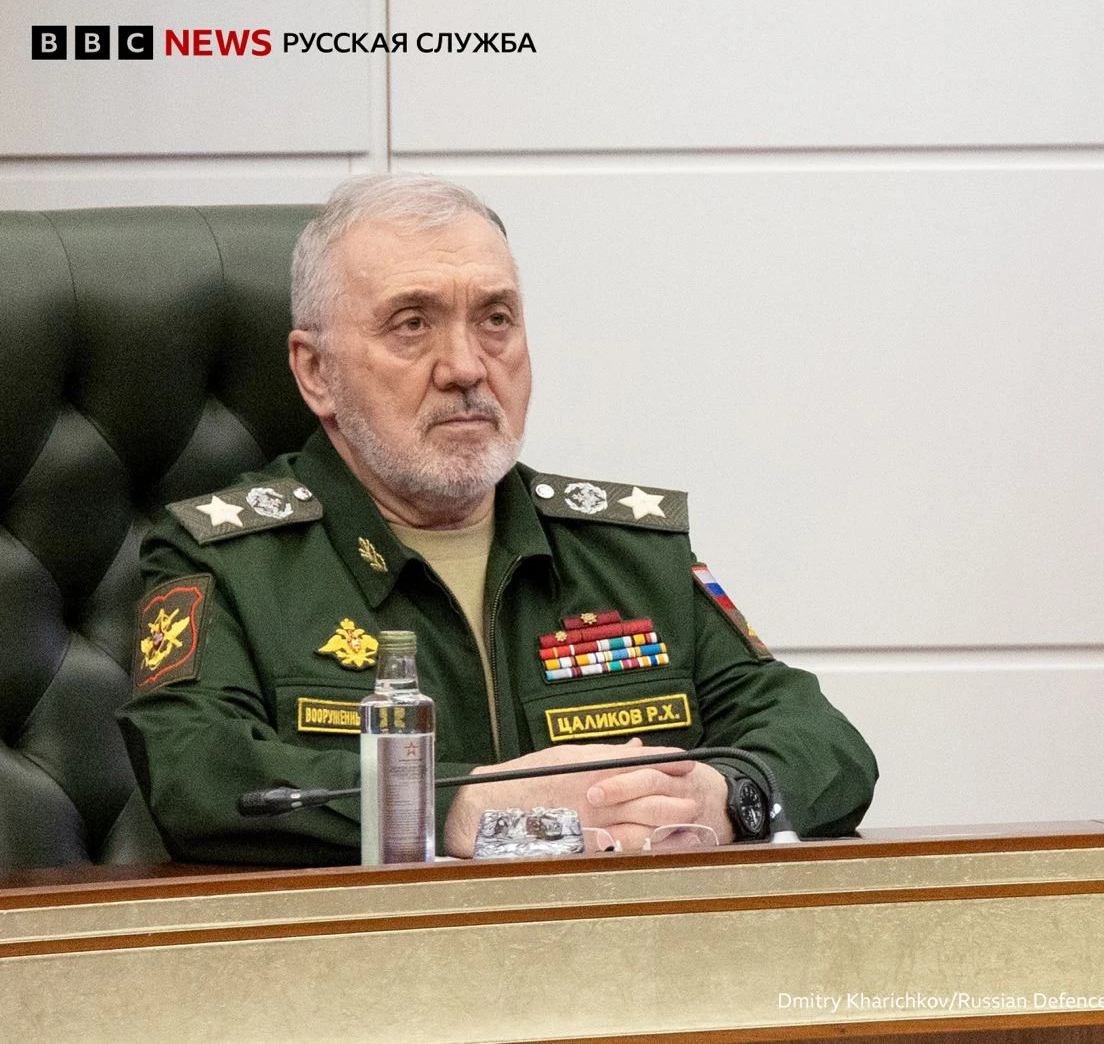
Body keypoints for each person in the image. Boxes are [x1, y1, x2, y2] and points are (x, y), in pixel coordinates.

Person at [118, 174, 877, 865]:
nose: (466, 367)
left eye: (495, 319)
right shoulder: (226, 560)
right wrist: (457, 807)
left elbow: (825, 741)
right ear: (316, 372)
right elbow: (195, 773)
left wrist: (728, 796)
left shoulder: (628, 552)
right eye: (412, 324)